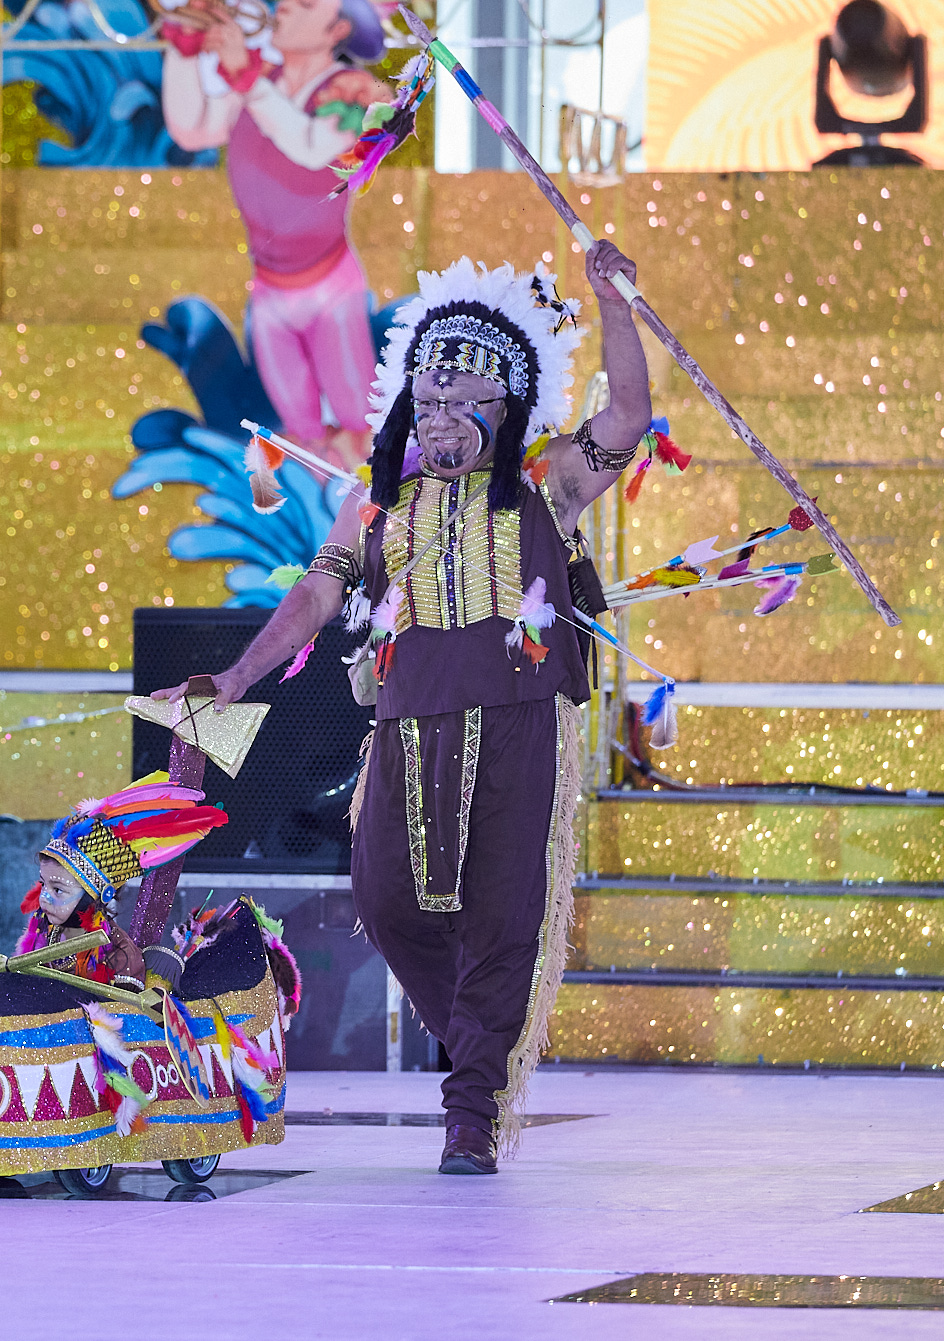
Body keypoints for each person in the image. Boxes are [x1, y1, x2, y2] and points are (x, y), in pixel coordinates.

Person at [159, 243, 652, 1175]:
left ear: (505, 406)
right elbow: (315, 593)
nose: (438, 417)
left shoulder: (546, 480)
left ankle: (472, 1110)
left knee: (505, 912)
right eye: (426, 402)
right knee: (384, 898)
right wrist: (237, 674)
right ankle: (481, 1044)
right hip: (409, 719)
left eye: (461, 402)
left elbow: (628, 416)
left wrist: (614, 303)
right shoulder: (378, 502)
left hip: (520, 717)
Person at [161, 0, 391, 467]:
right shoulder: (259, 80)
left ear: (338, 29)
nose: (284, 6)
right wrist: (184, 47)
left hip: (331, 290)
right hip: (269, 293)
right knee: (297, 437)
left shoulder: (357, 91)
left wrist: (245, 75)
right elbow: (193, 130)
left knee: (361, 424)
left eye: (305, 3)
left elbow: (312, 148)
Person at [19, 775, 228, 991]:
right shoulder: (44, 931)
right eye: (43, 884)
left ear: (96, 895)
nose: (44, 897)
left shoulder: (120, 957)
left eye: (58, 890)